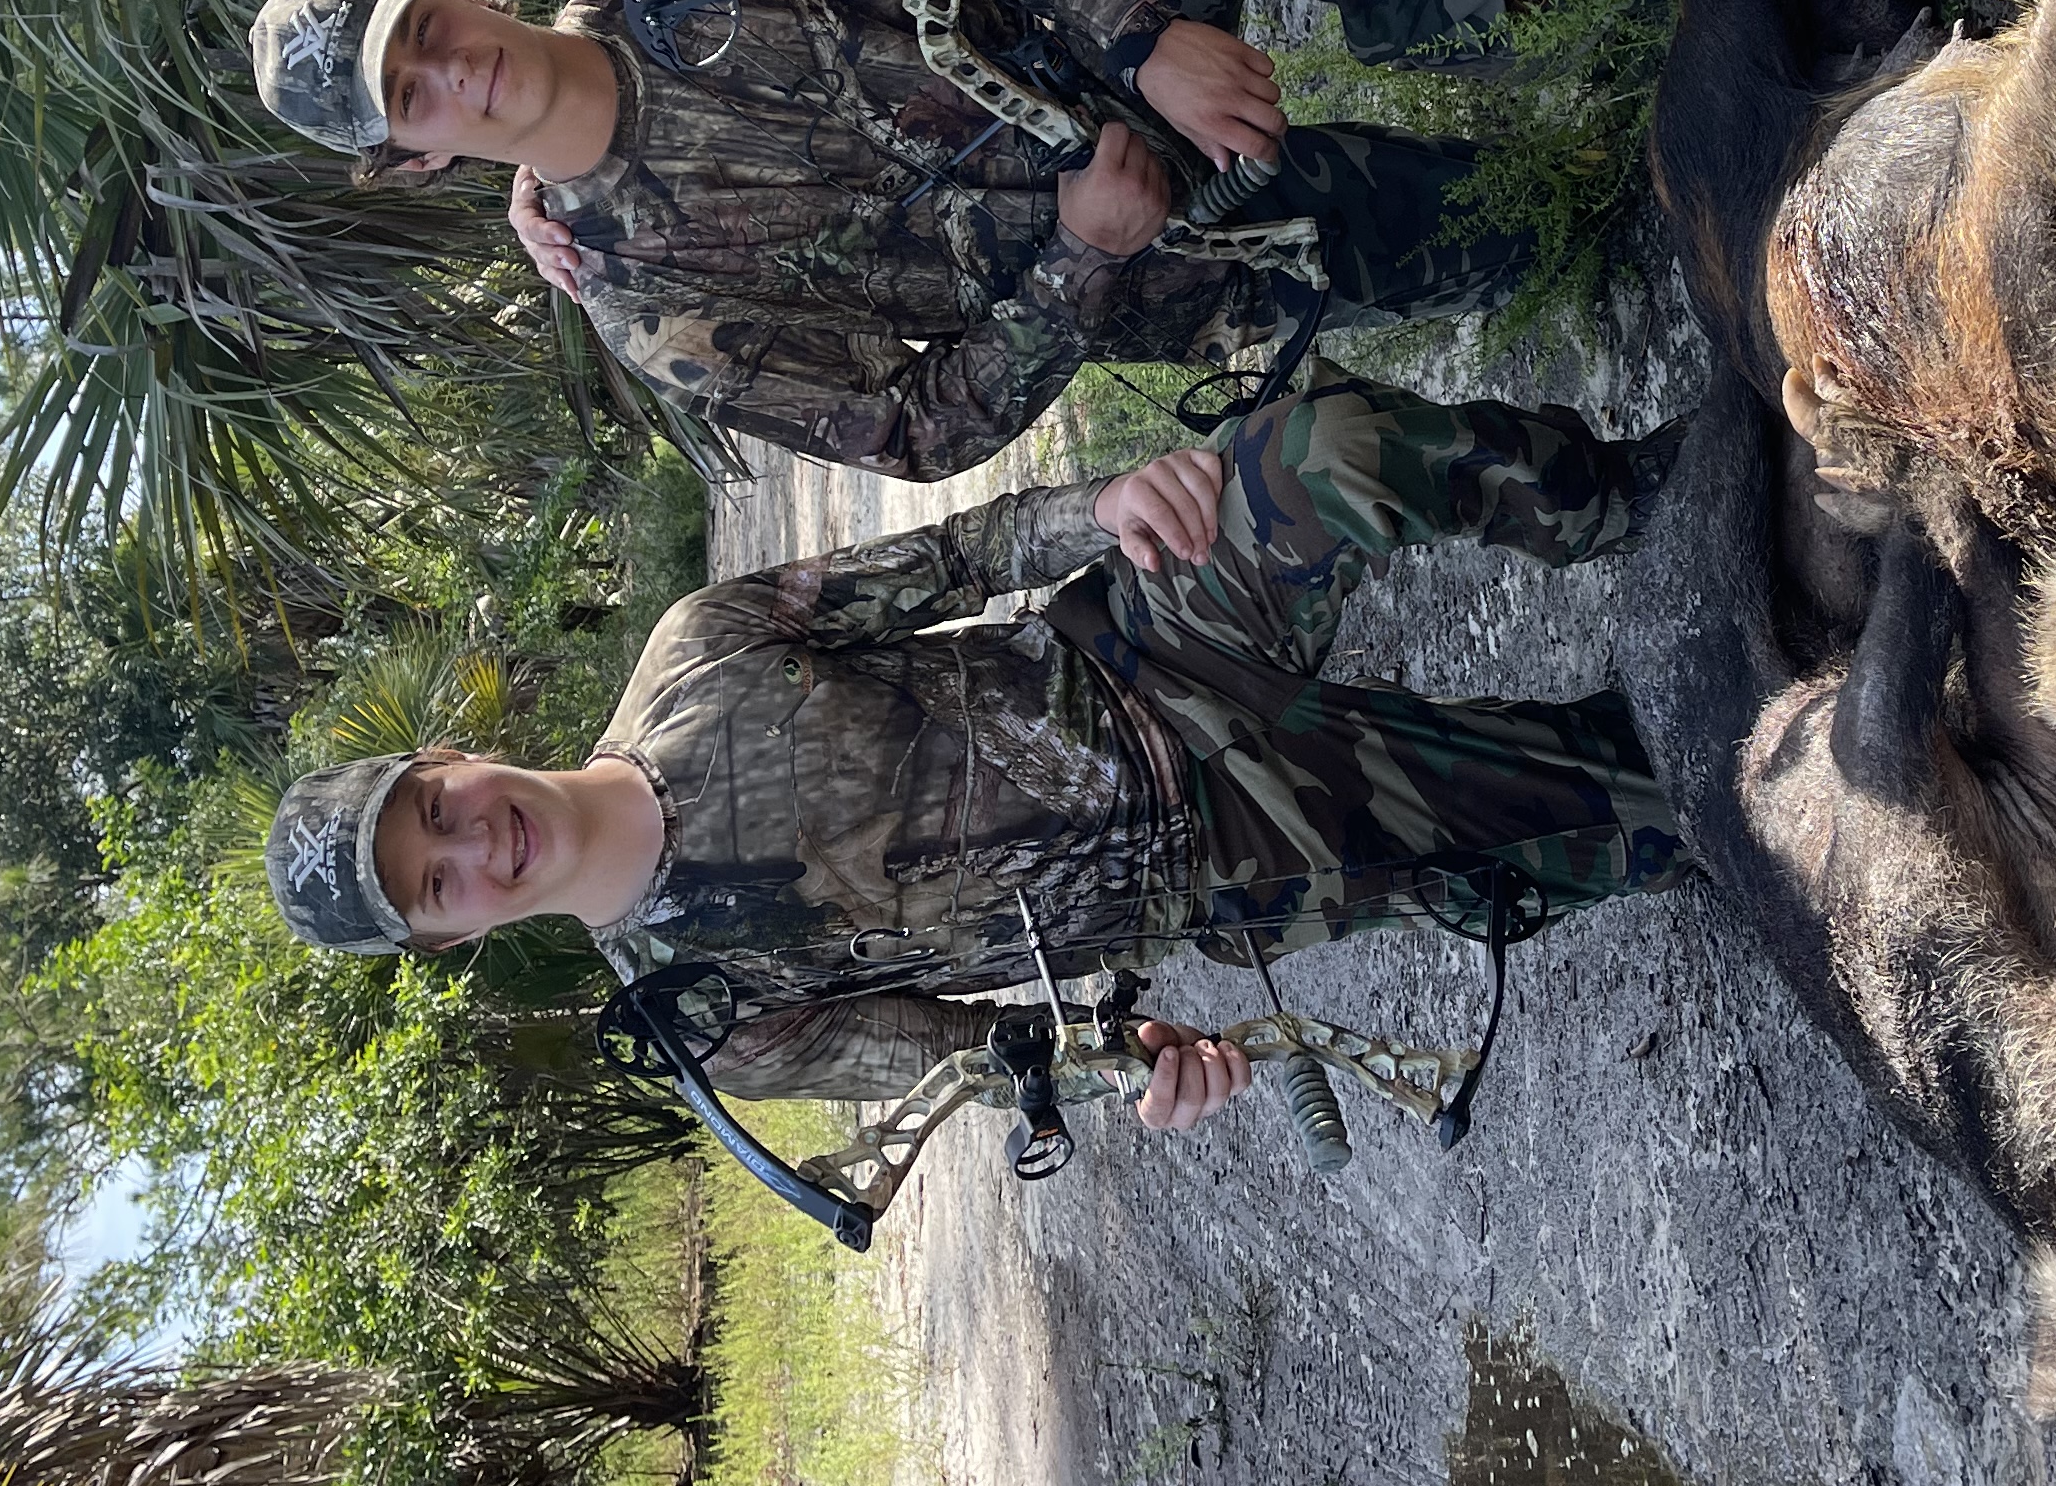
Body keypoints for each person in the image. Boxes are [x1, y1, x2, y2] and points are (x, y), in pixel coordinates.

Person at [261, 378, 1690, 1133]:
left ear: (451, 755)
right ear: (453, 940)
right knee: (1639, 811)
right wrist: (1149, 1063)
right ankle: (1673, 765)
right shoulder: (718, 1020)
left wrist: (1103, 503)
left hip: (1143, 650)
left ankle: (1643, 498)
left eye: (432, 809)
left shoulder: (696, 651)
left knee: (1328, 451)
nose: (469, 842)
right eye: (434, 883)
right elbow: (998, 1059)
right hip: (1232, 858)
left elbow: (951, 558)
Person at [249, 0, 1545, 479]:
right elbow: (909, 435)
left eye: (422, 25)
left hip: (1094, 41)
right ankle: (1505, 198)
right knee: (1521, 226)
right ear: (415, 157)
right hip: (1167, 257)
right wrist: (1084, 262)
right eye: (410, 97)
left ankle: (1479, 29)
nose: (451, 68)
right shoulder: (645, 305)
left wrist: (1143, 37)